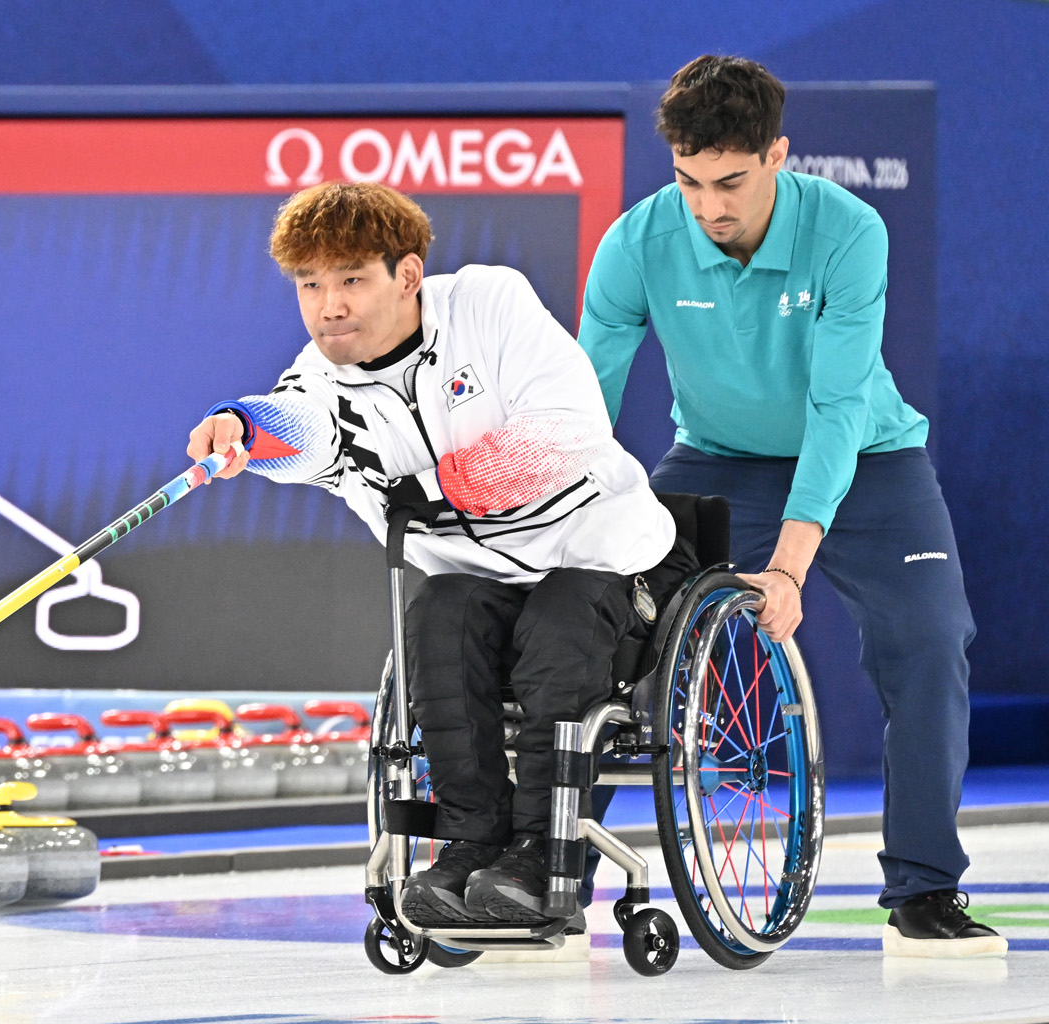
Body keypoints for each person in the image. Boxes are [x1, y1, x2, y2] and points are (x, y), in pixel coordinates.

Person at [579, 55, 1001, 957]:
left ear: (778, 155)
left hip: (871, 463)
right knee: (604, 626)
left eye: (730, 181)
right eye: (689, 181)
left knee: (931, 641)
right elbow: (585, 403)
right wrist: (571, 520)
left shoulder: (850, 232)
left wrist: (790, 564)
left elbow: (837, 406)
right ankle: (553, 876)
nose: (708, 206)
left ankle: (925, 888)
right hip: (717, 463)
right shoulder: (637, 241)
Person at [185, 182, 674, 925]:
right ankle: (470, 846)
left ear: (406, 275)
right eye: (310, 285)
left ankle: (545, 856)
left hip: (593, 551)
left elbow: (571, 430)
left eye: (351, 279)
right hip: (473, 575)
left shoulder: (490, 303)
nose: (329, 306)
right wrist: (243, 430)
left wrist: (446, 489)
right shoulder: (321, 376)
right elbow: (305, 425)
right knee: (437, 620)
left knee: (559, 623)